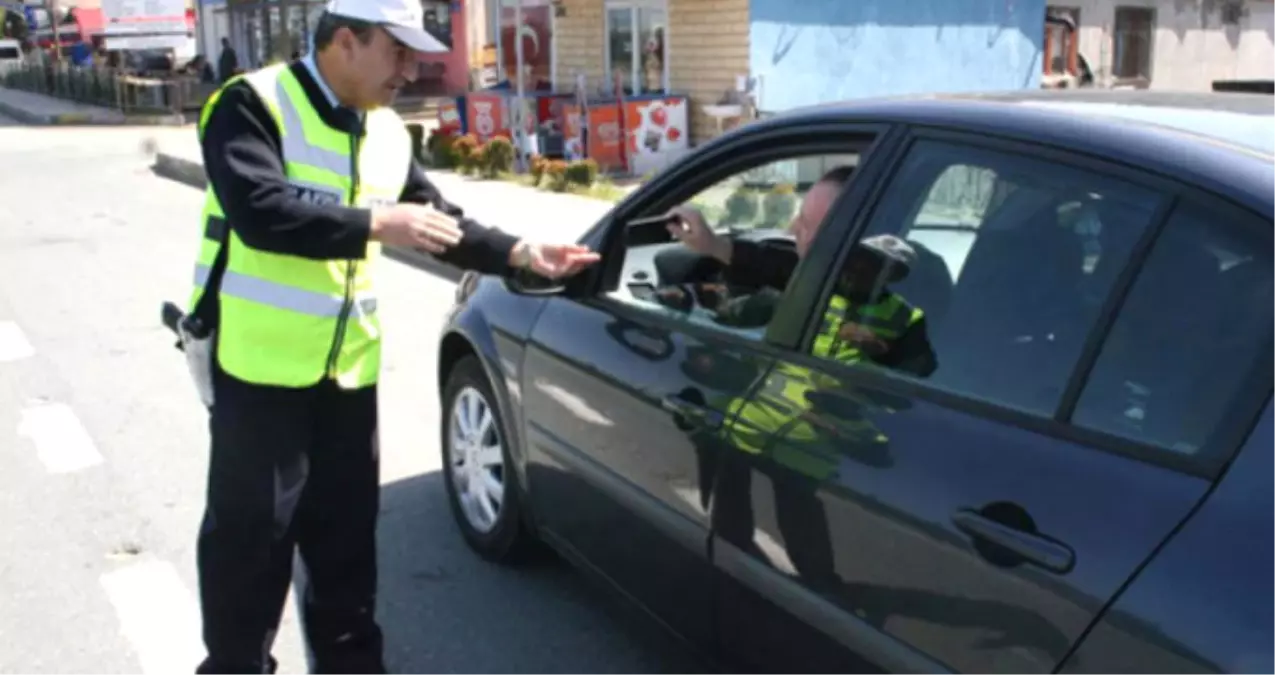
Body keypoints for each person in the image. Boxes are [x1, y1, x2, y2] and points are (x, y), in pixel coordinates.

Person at [187, 0, 600, 671]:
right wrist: (378, 222)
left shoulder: (386, 130)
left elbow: (439, 223)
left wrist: (522, 251)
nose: (412, 68)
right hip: (258, 374)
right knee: (250, 552)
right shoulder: (252, 103)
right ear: (345, 41)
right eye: (398, 51)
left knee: (347, 550)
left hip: (346, 377)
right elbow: (261, 212)